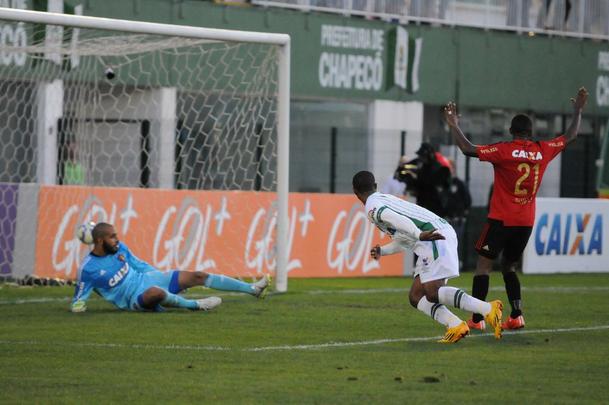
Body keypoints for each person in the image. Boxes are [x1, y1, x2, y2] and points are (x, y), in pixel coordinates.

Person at [443, 87, 588, 331]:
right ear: (531, 133)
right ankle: (517, 315)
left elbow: (468, 149)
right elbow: (571, 135)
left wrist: (453, 124)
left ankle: (477, 320)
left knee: (483, 266)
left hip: (500, 219)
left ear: (512, 132)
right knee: (509, 266)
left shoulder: (504, 150)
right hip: (525, 221)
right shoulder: (543, 150)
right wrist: (578, 110)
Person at [352, 171, 503, 343]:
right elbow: (406, 239)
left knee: (433, 291)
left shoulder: (373, 207)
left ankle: (488, 308)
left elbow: (397, 219)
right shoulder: (384, 199)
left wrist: (419, 234)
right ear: (376, 186)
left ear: (355, 192)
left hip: (432, 236)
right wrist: (383, 251)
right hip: (430, 237)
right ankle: (455, 324)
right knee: (416, 296)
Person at [71, 222, 270, 313]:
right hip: (133, 298)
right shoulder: (88, 269)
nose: (117, 239)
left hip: (148, 279)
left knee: (198, 275)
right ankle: (197, 305)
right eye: (112, 237)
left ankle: (254, 290)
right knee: (155, 293)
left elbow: (138, 264)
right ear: (99, 240)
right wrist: (79, 306)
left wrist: (158, 274)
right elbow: (78, 300)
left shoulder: (119, 249)